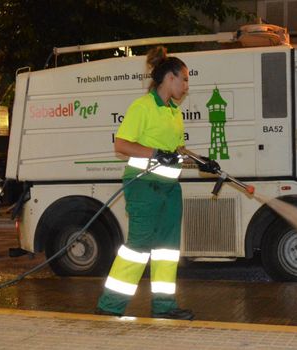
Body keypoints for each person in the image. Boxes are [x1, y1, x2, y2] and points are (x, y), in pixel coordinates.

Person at [95, 46, 219, 320]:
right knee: (138, 247)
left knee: (167, 250)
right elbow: (122, 144)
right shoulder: (143, 106)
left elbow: (176, 151)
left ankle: (164, 307)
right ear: (170, 78)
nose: (187, 86)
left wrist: (201, 162)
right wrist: (154, 153)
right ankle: (109, 306)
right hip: (143, 187)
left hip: (169, 189)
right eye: (184, 79)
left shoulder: (174, 112)